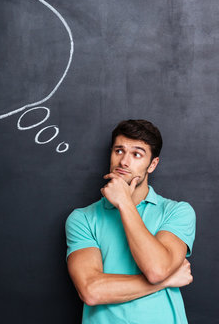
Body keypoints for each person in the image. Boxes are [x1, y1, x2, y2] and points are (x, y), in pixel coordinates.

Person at [65, 119, 196, 324]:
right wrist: (166, 282)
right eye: (119, 151)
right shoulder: (82, 218)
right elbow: (91, 291)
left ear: (152, 164)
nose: (124, 162)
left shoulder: (177, 212)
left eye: (136, 154)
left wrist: (124, 203)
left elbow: (156, 270)